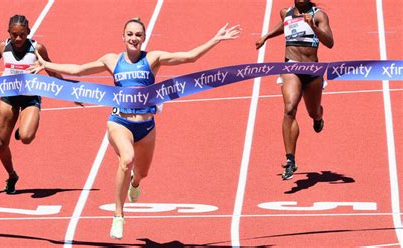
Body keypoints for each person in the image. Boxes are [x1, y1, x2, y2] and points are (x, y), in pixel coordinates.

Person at [29, 17, 241, 239]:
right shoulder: (112, 60)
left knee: (142, 172)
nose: (133, 38)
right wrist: (46, 65)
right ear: (123, 37)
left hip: (146, 126)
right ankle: (118, 215)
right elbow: (79, 70)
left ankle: (135, 182)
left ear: (144, 38)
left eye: (138, 35)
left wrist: (216, 39)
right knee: (127, 159)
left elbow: (189, 57)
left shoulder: (153, 58)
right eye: (129, 34)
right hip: (119, 122)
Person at [0, 15, 62, 194]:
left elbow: (52, 71)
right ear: (8, 33)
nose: (17, 39)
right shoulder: (2, 47)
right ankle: (12, 175)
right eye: (14, 34)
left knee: (26, 137)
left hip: (30, 97)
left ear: (28, 33)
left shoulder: (37, 48)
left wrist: (72, 91)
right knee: (1, 143)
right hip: (8, 96)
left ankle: (21, 128)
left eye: (22, 35)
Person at [255, 0, 333, 180]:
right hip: (291, 67)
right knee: (289, 109)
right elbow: (284, 25)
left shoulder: (319, 15)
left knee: (313, 111)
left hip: (313, 70)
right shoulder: (285, 12)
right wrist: (266, 36)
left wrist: (312, 26)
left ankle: (319, 117)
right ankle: (290, 159)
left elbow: (330, 42)